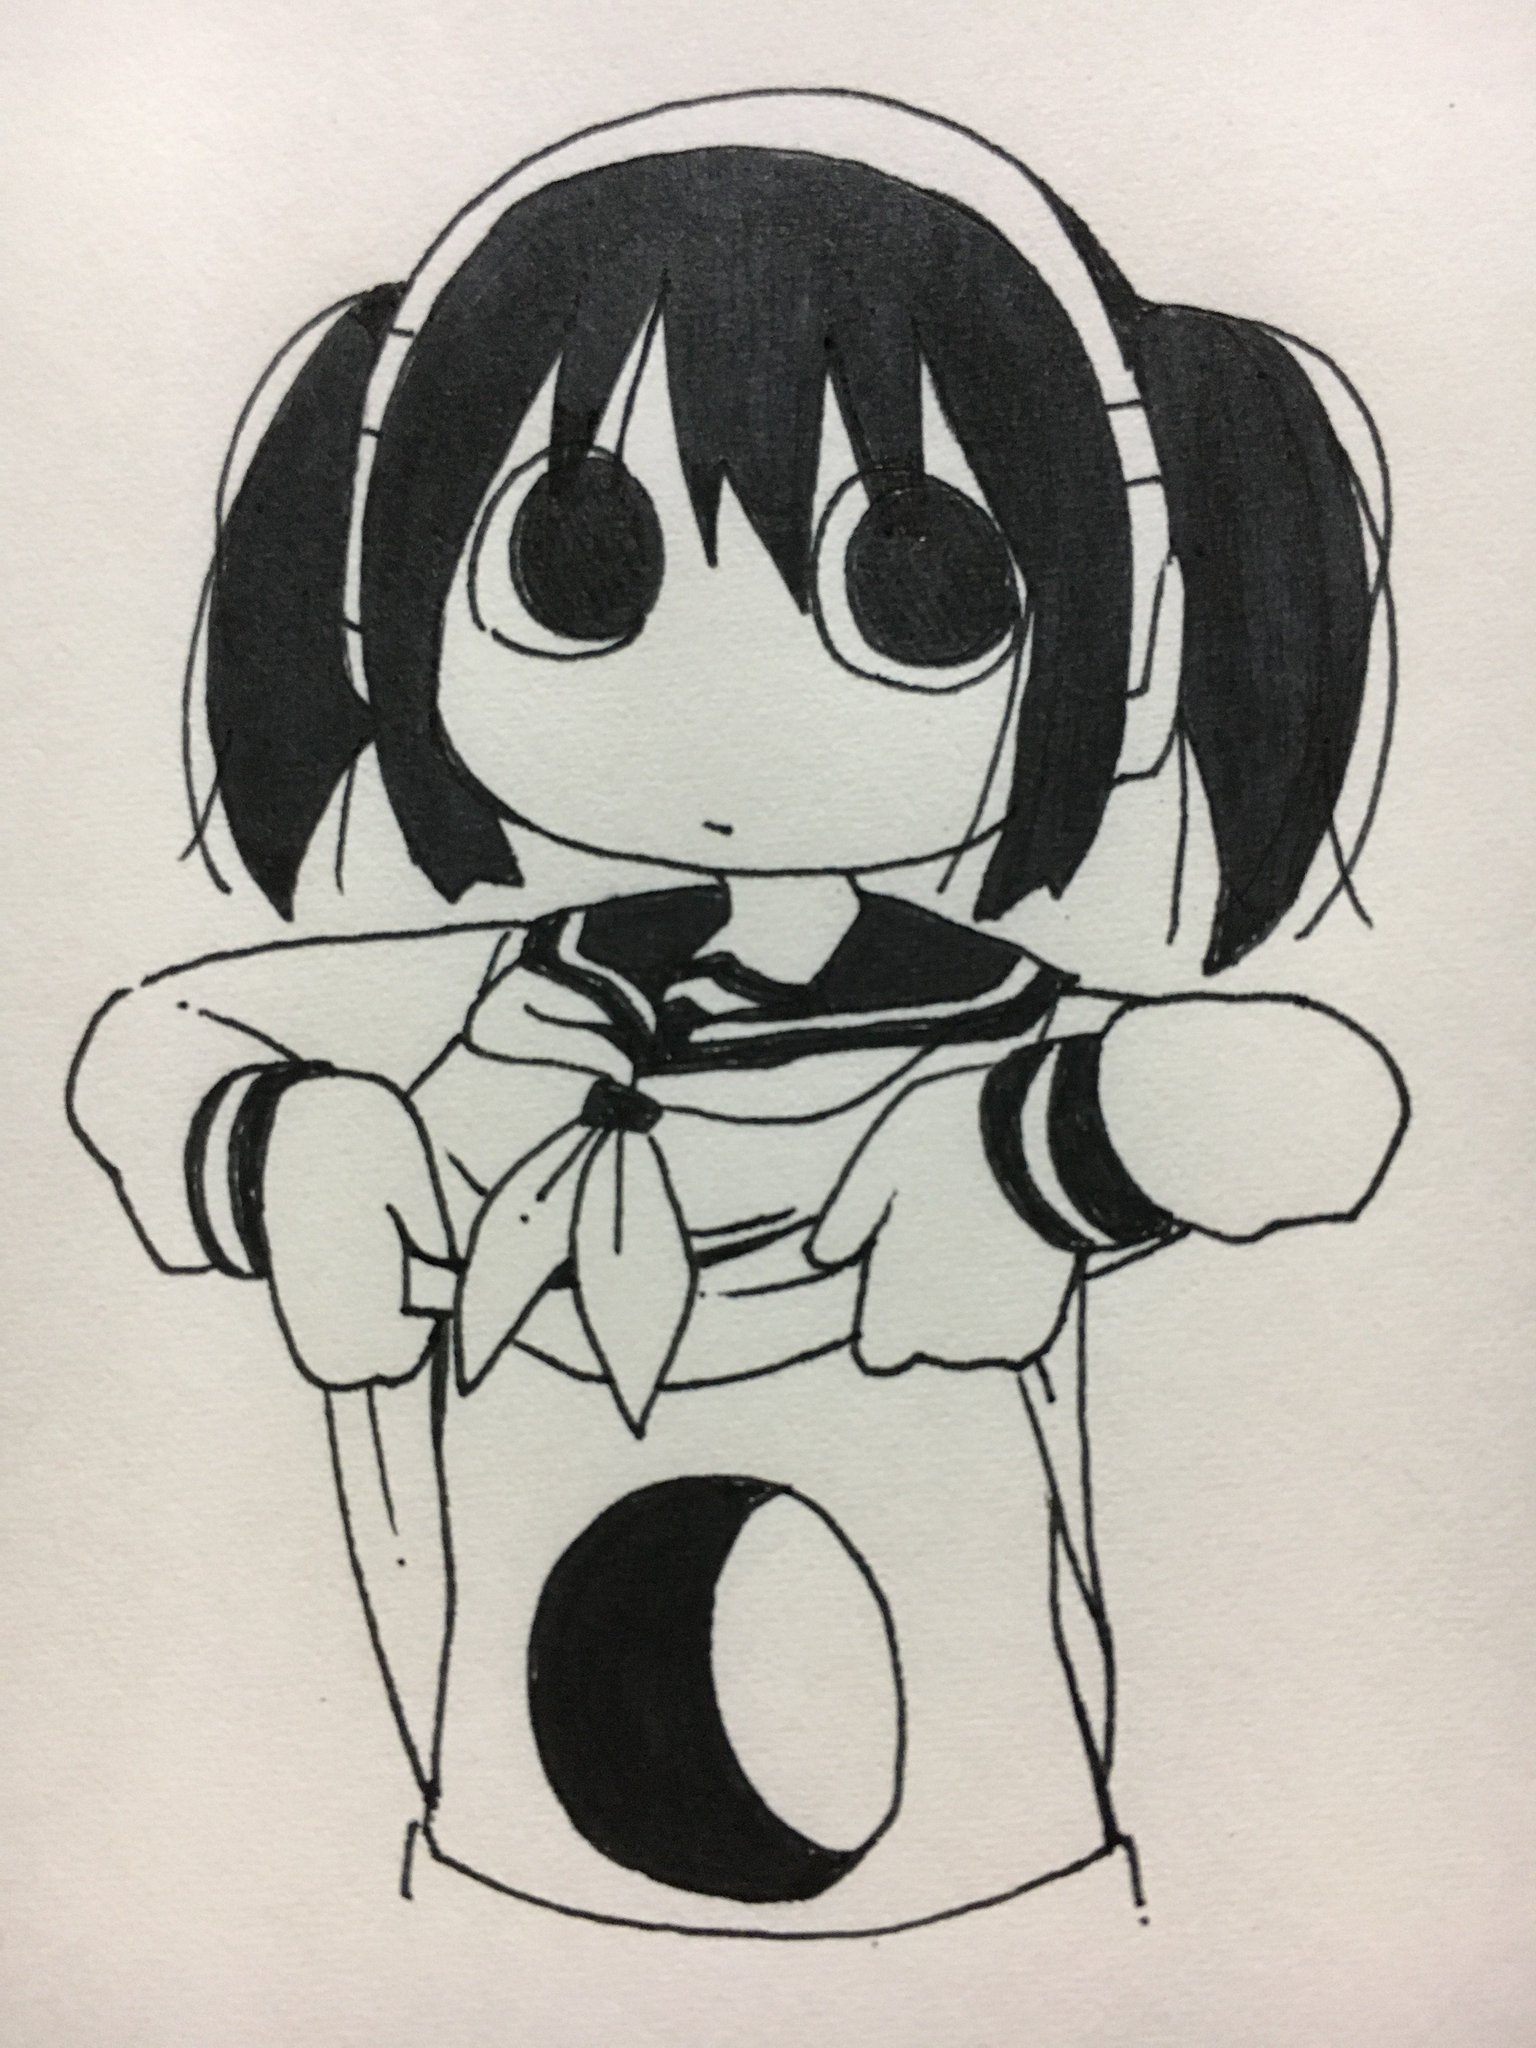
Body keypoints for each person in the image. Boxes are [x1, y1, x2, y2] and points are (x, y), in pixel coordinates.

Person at [67, 92, 1408, 1936]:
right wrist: (287, 1142)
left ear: (1141, 649)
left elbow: (1317, 1101)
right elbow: (149, 1046)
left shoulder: (989, 1030)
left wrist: (1046, 1158)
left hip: (984, 1926)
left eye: (917, 596)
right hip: (496, 1911)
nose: (726, 695)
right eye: (579, 569)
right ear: (384, 605)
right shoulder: (509, 993)